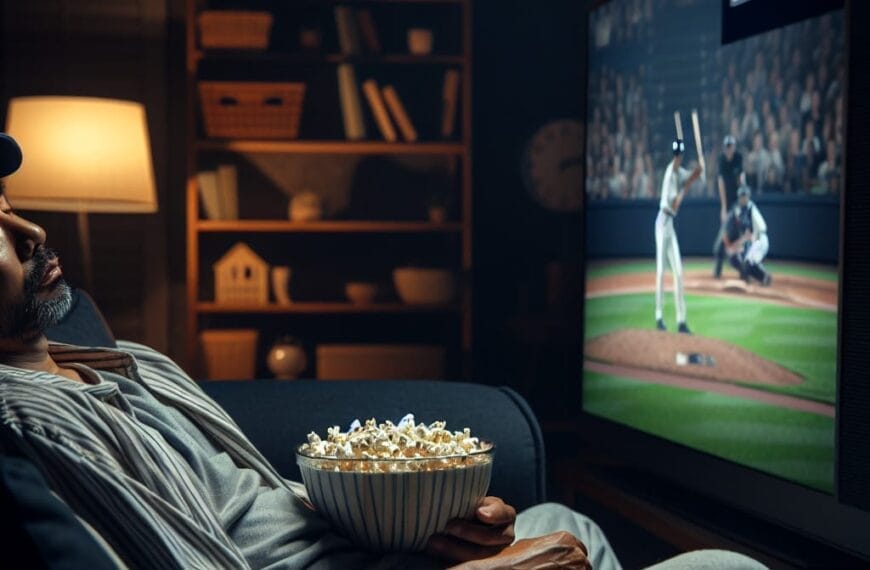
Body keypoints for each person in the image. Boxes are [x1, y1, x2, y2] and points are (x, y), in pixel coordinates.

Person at [0, 133, 764, 569]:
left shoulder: (122, 361)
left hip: (368, 552)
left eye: (11, 207)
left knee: (567, 523)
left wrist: (417, 519)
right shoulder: (33, 424)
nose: (30, 232)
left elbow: (259, 504)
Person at [655, 138, 703, 334]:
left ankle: (681, 321)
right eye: (676, 155)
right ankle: (658, 316)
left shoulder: (678, 171)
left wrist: (699, 169)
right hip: (661, 223)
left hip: (670, 225)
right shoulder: (669, 175)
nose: (678, 158)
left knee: (679, 272)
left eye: (680, 155)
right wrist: (687, 186)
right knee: (660, 271)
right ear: (674, 156)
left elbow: (691, 177)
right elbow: (674, 204)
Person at [723, 185, 772, 286]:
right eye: (741, 196)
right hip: (756, 240)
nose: (743, 198)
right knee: (746, 262)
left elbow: (753, 232)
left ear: (748, 196)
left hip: (760, 239)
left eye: (744, 196)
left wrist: (740, 243)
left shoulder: (750, 208)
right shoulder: (743, 209)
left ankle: (764, 277)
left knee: (749, 262)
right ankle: (755, 276)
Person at [713, 135, 745, 278]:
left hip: (738, 204)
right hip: (729, 205)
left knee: (740, 236)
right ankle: (718, 269)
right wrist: (723, 208)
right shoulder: (721, 160)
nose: (729, 149)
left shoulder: (738, 158)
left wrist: (743, 204)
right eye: (727, 147)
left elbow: (742, 180)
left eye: (730, 146)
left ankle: (745, 269)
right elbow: (721, 183)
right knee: (723, 239)